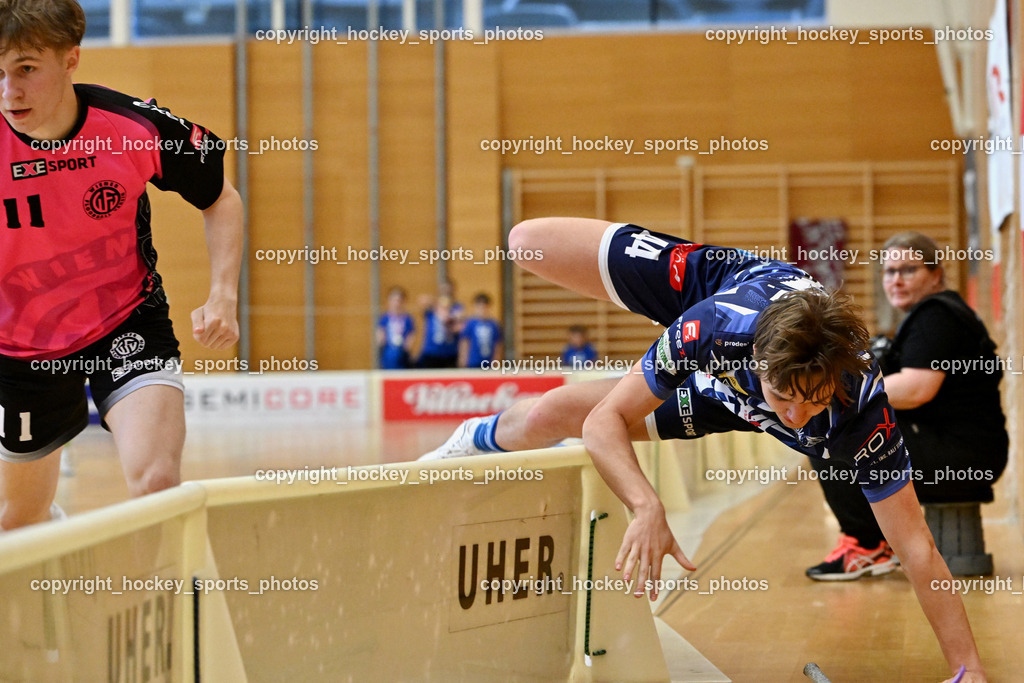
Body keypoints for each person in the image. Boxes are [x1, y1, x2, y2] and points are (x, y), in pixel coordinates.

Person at [422, 218, 985, 682]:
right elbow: (605, 421)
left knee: (551, 413)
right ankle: (467, 440)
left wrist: (969, 671)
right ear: (756, 363)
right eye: (783, 399)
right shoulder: (714, 329)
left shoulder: (862, 409)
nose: (792, 419)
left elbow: (916, 548)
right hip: (711, 285)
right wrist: (645, 504)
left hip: (724, 400)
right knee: (528, 243)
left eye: (808, 407)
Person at [0, 0, 242, 529]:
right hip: (19, 350)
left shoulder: (130, 127)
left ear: (71, 60)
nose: (8, 91)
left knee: (156, 484)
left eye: (25, 68)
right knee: (17, 521)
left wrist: (223, 292)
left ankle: (173, 605)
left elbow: (219, 197)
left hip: (126, 322)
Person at [806, 232, 1008, 580]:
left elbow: (917, 389)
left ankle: (868, 545)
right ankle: (878, 541)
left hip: (963, 454)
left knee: (830, 437)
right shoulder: (933, 314)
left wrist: (839, 395)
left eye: (908, 270)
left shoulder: (936, 316)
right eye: (889, 271)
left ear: (935, 274)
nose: (896, 279)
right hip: (964, 449)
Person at [459, 292, 503, 369]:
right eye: (479, 307)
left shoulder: (494, 325)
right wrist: (463, 359)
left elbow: (498, 345)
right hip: (473, 362)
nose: (482, 310)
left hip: (488, 363)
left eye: (484, 307)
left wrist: (496, 361)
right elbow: (465, 342)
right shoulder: (470, 323)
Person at [416, 294, 460, 369]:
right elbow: (421, 302)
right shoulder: (430, 314)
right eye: (441, 307)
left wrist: (450, 323)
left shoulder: (453, 318)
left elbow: (458, 328)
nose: (444, 309)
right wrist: (434, 301)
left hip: (449, 354)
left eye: (446, 307)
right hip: (431, 353)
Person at [377, 286, 415, 369]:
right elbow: (380, 334)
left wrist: (406, 348)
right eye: (394, 300)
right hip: (388, 351)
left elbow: (411, 335)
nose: (396, 303)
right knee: (391, 354)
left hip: (402, 352)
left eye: (399, 301)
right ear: (389, 301)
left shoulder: (408, 318)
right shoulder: (384, 318)